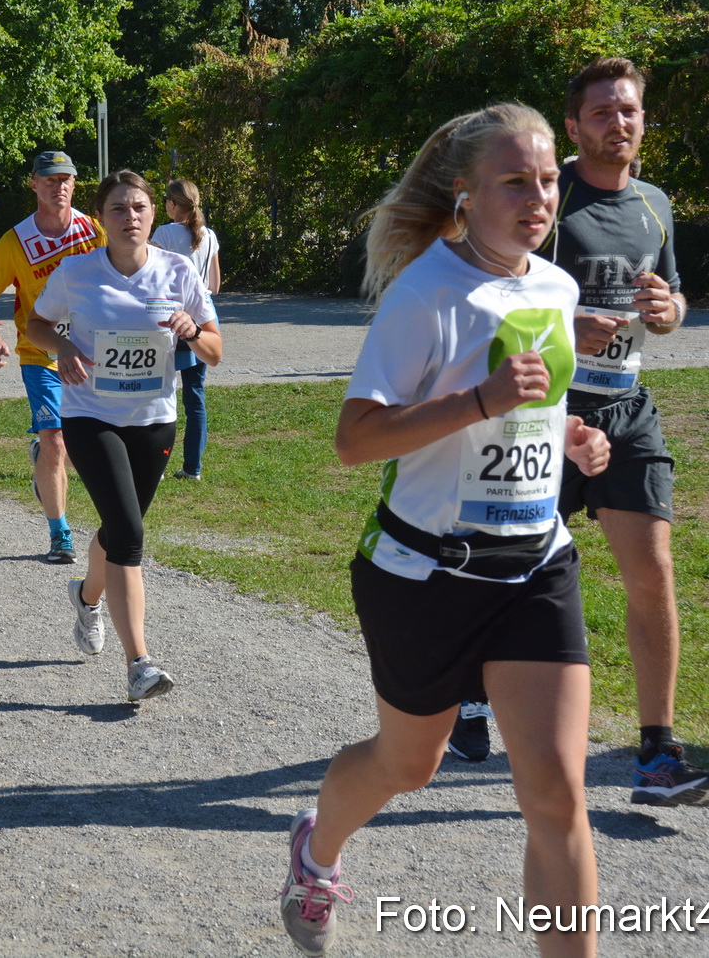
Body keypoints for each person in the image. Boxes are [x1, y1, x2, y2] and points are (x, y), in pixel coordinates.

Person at [277, 104, 610, 958]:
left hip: (535, 566)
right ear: (464, 192)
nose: (538, 197)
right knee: (407, 764)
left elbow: (531, 408)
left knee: (557, 796)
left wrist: (570, 438)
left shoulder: (556, 286)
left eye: (546, 180)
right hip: (424, 574)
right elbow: (354, 438)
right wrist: (479, 403)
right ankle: (317, 851)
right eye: (514, 181)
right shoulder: (425, 292)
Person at [494, 56, 709, 806]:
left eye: (628, 111)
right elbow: (494, 291)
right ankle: (464, 690)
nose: (618, 124)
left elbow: (676, 294)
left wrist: (670, 312)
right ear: (573, 125)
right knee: (510, 565)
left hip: (627, 406)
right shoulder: (546, 195)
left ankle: (657, 754)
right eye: (602, 113)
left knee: (652, 568)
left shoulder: (655, 203)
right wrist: (565, 322)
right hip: (545, 410)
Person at [28, 169, 220, 700]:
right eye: (118, 208)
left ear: (153, 214)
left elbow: (216, 349)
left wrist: (194, 331)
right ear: (102, 218)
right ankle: (140, 664)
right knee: (130, 537)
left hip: (154, 419)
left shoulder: (179, 271)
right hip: (91, 417)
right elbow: (36, 325)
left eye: (138, 207)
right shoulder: (76, 272)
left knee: (118, 531)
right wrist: (62, 349)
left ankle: (87, 598)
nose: (130, 217)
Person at [0, 150, 107, 562]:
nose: (59, 186)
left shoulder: (93, 230)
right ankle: (59, 532)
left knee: (85, 443)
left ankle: (45, 465)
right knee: (56, 440)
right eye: (50, 179)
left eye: (66, 179)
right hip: (40, 354)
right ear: (33, 183)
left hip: (91, 352)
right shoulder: (16, 242)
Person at [151, 178, 222, 480]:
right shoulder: (209, 236)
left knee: (159, 391)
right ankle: (192, 467)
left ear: (171, 204)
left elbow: (148, 275)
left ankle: (156, 464)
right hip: (203, 319)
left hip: (171, 318)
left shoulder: (164, 233)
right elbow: (214, 286)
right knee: (195, 395)